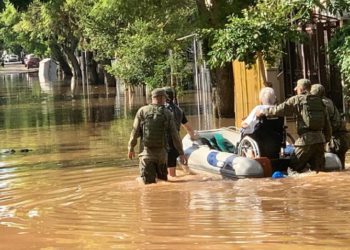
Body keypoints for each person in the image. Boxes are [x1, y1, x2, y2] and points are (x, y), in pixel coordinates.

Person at [256, 78, 332, 173]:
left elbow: (279, 110)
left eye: (297, 88)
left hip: (305, 142)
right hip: (320, 141)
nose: (295, 90)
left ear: (301, 89)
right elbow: (327, 124)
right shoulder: (320, 101)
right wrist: (326, 140)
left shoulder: (297, 99)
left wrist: (263, 111)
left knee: (292, 168)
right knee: (319, 171)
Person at [127, 88, 187, 184]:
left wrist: (131, 148)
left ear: (153, 98)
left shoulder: (142, 111)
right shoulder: (168, 113)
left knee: (148, 186)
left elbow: (135, 132)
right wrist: (181, 153)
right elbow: (175, 135)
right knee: (163, 182)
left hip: (146, 154)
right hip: (162, 156)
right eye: (165, 98)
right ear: (162, 98)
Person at [311, 84, 349, 169]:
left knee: (333, 166)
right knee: (340, 167)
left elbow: (324, 123)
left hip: (336, 139)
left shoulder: (323, 103)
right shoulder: (327, 101)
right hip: (341, 138)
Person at [163, 86, 197, 177]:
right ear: (173, 97)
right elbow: (189, 128)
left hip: (164, 142)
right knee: (172, 173)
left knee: (163, 175)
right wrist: (193, 138)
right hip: (175, 142)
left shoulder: (161, 110)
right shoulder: (179, 110)